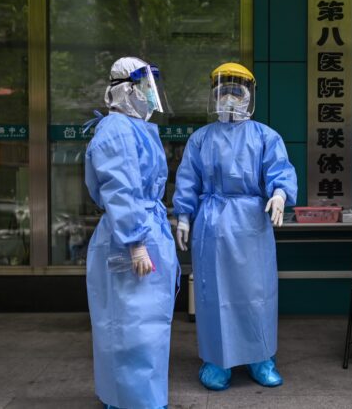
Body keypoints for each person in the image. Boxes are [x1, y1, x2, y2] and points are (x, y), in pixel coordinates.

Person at [172, 62, 298, 391]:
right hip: (212, 223)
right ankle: (216, 360)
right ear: (213, 95)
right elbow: (188, 179)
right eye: (223, 91)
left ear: (249, 95)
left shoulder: (265, 136)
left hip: (251, 223)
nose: (229, 97)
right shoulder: (201, 139)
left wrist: (281, 194)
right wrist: (183, 215)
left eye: (236, 91)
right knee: (213, 294)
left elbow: (280, 171)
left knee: (257, 293)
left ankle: (261, 358)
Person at [84, 56, 179, 409]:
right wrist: (136, 241)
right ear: (124, 89)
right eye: (142, 87)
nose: (149, 95)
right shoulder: (116, 129)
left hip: (143, 230)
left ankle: (138, 398)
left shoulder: (136, 129)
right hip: (130, 237)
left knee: (146, 325)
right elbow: (119, 189)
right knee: (131, 326)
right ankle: (131, 400)